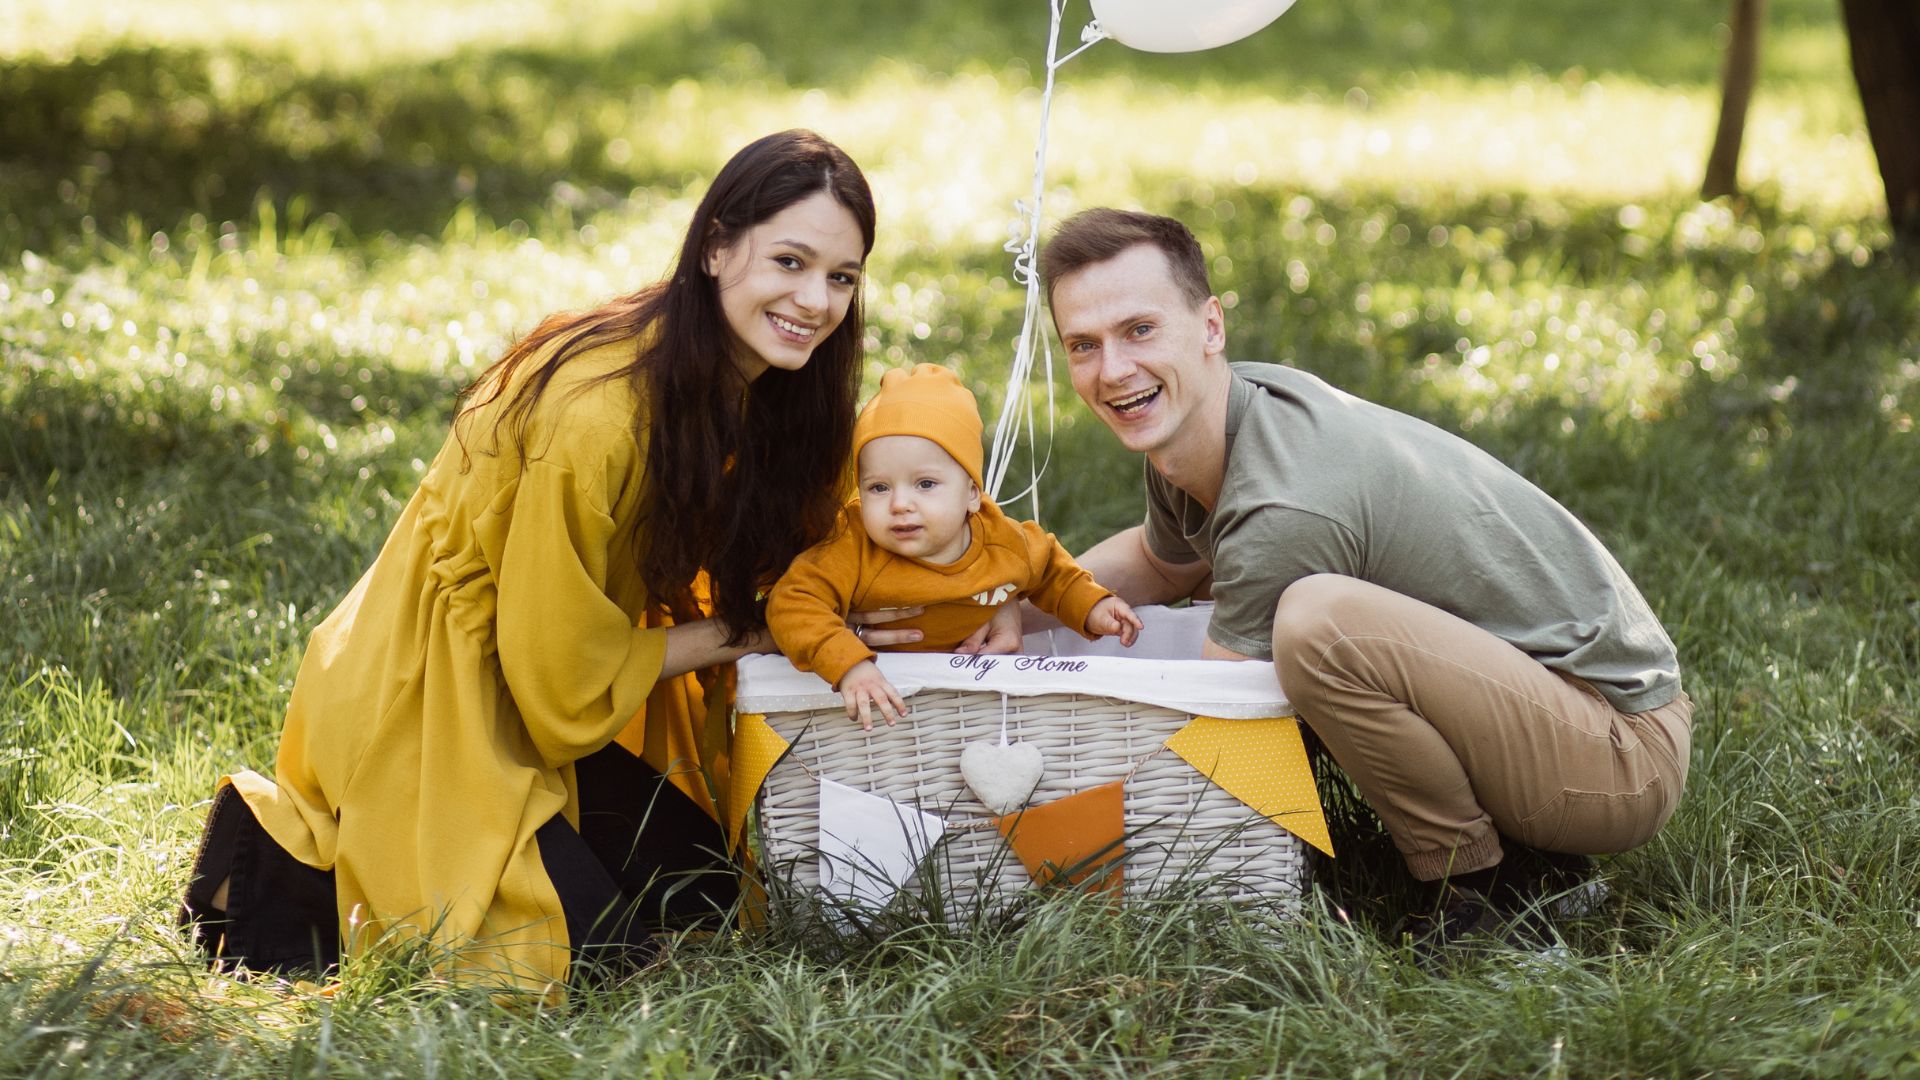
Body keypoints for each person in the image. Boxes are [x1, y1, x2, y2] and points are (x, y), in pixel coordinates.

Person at [177, 130, 933, 992]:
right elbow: (557, 679)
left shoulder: (771, 393)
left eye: (841, 277)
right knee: (575, 962)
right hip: (442, 692)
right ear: (717, 246)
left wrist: (975, 598)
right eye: (790, 261)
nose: (816, 301)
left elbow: (828, 551)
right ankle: (277, 856)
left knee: (706, 902)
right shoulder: (599, 417)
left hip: (555, 681)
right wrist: (747, 632)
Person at [1038, 208, 1692, 949]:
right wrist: (1017, 601)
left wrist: (1054, 812)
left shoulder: (1281, 499)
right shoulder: (1213, 427)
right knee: (1302, 615)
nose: (1112, 369)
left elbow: (1212, 718)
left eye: (1139, 330)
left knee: (1317, 623)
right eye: (1083, 345)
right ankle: (1534, 868)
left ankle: (1482, 894)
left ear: (1210, 326)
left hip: (1617, 756)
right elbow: (1159, 562)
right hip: (1552, 711)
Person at [768, 363, 1142, 729]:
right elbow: (792, 603)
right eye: (878, 487)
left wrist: (1093, 605)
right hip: (880, 702)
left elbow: (1053, 572)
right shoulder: (852, 546)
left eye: (925, 484)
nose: (900, 504)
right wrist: (849, 664)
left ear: (972, 494)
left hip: (970, 697)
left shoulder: (1003, 542)